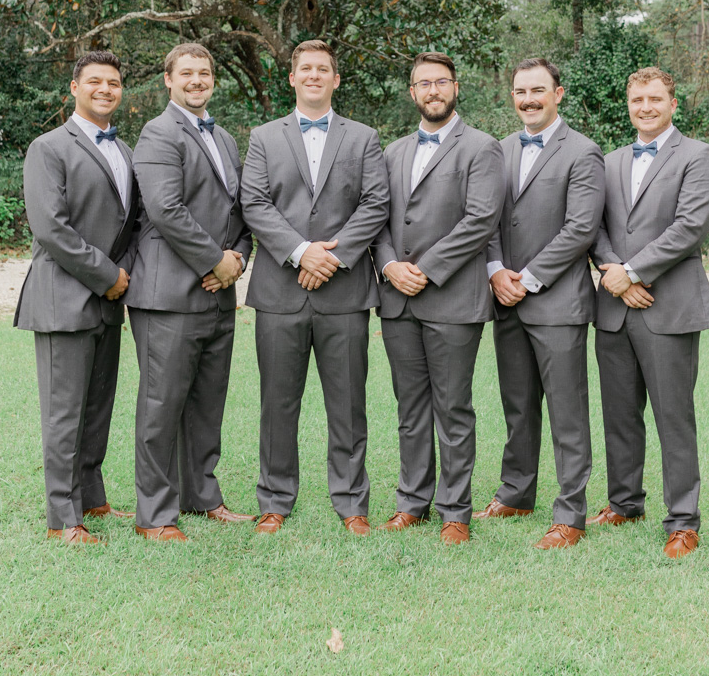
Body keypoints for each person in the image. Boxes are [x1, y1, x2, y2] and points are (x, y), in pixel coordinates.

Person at [239, 40, 389, 535]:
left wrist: (333, 256)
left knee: (347, 402)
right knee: (277, 403)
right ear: (292, 78)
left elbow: (375, 204)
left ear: (336, 80)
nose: (314, 76)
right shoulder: (263, 137)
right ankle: (275, 499)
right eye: (305, 68)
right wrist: (303, 252)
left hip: (344, 292)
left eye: (323, 69)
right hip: (280, 292)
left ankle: (351, 502)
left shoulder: (365, 138)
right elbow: (255, 203)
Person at [374, 52, 505, 545]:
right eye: (423, 83)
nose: (432, 91)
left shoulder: (482, 148)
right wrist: (389, 266)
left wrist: (425, 270)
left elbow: (480, 220)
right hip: (397, 299)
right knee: (410, 407)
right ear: (412, 92)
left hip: (452, 298)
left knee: (452, 408)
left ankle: (454, 510)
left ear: (455, 88)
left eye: (441, 83)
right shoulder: (393, 152)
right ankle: (412, 501)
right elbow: (380, 218)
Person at [591, 66, 709, 559]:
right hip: (615, 307)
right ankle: (624, 503)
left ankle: (683, 520)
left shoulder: (698, 156)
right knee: (620, 414)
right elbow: (594, 226)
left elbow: (690, 227)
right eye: (637, 99)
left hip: (669, 307)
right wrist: (613, 274)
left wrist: (635, 272)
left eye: (654, 99)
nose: (645, 107)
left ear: (673, 103)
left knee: (673, 416)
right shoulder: (610, 161)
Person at [125, 43, 253, 542]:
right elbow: (165, 209)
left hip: (219, 294)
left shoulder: (223, 137)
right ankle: (155, 514)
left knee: (206, 403)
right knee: (161, 405)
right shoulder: (158, 133)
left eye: (204, 73)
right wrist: (214, 260)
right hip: (168, 295)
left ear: (213, 81)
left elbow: (239, 211)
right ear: (168, 80)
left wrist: (238, 259)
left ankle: (201, 496)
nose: (197, 81)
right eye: (187, 74)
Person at [477, 58, 605, 548]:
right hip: (505, 298)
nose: (528, 99)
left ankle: (570, 514)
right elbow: (484, 218)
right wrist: (495, 272)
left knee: (567, 412)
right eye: (520, 91)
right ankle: (515, 493)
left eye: (537, 91)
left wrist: (527, 279)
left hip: (557, 302)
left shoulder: (583, 152)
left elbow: (580, 230)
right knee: (518, 406)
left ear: (559, 93)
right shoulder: (500, 149)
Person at [15, 51, 139, 545]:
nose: (105, 89)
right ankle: (62, 520)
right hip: (64, 297)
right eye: (95, 82)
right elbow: (51, 228)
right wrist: (107, 275)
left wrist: (122, 276)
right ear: (74, 88)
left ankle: (93, 497)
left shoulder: (125, 150)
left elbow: (130, 221)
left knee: (97, 407)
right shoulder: (48, 148)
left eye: (113, 82)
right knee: (64, 412)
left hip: (110, 300)